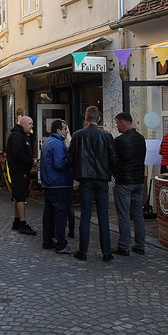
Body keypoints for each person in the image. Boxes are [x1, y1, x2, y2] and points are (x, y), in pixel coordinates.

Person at [67, 106, 117, 262]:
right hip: (101, 178)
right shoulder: (106, 136)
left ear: (86, 119)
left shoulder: (78, 135)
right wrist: (109, 172)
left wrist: (78, 170)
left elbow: (71, 157)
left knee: (85, 214)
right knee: (103, 215)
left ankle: (83, 251)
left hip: (85, 178)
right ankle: (106, 252)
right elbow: (113, 158)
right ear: (99, 119)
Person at [112, 112, 147, 256]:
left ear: (122, 123)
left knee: (124, 215)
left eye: (117, 124)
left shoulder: (120, 141)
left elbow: (114, 159)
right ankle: (140, 245)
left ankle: (124, 246)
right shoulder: (141, 139)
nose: (117, 126)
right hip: (138, 181)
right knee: (138, 214)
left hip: (125, 181)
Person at [40, 119, 74, 254]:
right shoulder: (58, 144)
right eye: (65, 129)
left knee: (48, 214)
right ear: (58, 131)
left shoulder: (47, 142)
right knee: (60, 215)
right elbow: (59, 164)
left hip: (48, 183)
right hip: (59, 184)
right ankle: (61, 244)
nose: (67, 132)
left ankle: (47, 241)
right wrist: (70, 159)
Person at [6, 116, 37, 235]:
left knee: (18, 196)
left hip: (20, 170)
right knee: (21, 197)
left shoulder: (20, 135)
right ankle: (22, 223)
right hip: (19, 171)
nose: (31, 126)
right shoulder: (17, 136)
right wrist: (30, 162)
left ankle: (17, 221)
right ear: (23, 124)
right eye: (29, 124)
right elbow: (18, 153)